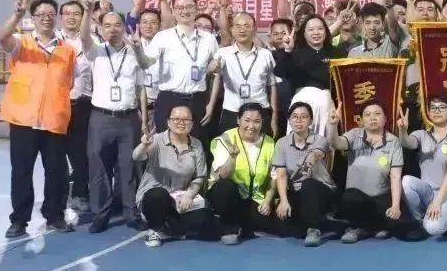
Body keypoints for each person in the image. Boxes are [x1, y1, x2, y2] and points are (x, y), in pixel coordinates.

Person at [0, 0, 77, 238]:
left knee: (57, 172)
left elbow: (69, 83)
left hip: (54, 120)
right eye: (40, 14)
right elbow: (2, 37)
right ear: (32, 17)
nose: (46, 18)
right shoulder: (21, 43)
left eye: (51, 14)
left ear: (57, 18)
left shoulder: (67, 50)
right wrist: (16, 15)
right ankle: (19, 220)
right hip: (24, 120)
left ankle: (55, 215)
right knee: (22, 172)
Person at [80, 5, 151, 233]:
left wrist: (144, 120)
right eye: (107, 25)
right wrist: (86, 11)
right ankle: (101, 215)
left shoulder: (134, 53)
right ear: (100, 29)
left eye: (117, 25)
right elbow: (83, 36)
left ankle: (131, 213)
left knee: (129, 167)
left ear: (124, 28)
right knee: (99, 168)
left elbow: (141, 87)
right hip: (101, 117)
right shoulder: (95, 51)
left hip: (128, 119)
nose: (112, 29)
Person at [134, 104, 229, 247]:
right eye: (176, 119)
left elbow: (199, 177)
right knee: (157, 195)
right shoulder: (157, 140)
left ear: (192, 123)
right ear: (168, 122)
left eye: (186, 120)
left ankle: (170, 228)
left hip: (180, 200)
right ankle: (155, 229)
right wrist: (143, 145)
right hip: (154, 197)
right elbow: (137, 157)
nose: (181, 123)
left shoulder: (196, 145)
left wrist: (189, 195)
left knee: (207, 221)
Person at [327, 99, 405, 243]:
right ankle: (363, 227)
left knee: (402, 226)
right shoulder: (354, 135)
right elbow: (335, 143)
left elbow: (395, 176)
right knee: (349, 198)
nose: (372, 118)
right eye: (367, 115)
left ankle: (369, 227)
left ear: (385, 118)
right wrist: (333, 125)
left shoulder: (393, 141)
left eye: (377, 114)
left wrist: (395, 206)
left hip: (381, 197)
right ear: (361, 120)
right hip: (356, 199)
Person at [206, 102, 283, 244]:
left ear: (262, 122)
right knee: (226, 186)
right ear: (238, 120)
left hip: (254, 199)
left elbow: (273, 176)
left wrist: (267, 201)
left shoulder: (269, 143)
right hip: (228, 196)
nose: (251, 126)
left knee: (277, 225)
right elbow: (223, 175)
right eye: (247, 120)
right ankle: (229, 229)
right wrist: (232, 157)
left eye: (256, 121)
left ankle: (243, 226)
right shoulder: (225, 139)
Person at [149, 0, 219, 139]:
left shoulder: (209, 39)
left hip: (197, 101)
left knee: (196, 145)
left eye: (189, 7)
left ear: (196, 9)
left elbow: (216, 74)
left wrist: (210, 104)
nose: (185, 11)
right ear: (173, 10)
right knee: (166, 145)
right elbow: (147, 66)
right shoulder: (162, 38)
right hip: (169, 99)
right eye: (180, 8)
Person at [398, 95, 447, 237]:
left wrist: (437, 202)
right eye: (433, 108)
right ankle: (419, 220)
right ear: (428, 113)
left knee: (434, 229)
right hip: (428, 191)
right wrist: (403, 130)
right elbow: (407, 143)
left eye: (442, 107)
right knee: (406, 181)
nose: (437, 111)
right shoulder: (422, 134)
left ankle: (442, 219)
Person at [270, 102, 337, 247]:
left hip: (321, 190)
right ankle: (324, 224)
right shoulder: (281, 143)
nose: (299, 120)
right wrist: (283, 200)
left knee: (308, 184)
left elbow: (317, 153)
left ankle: (313, 229)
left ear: (311, 121)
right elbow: (281, 175)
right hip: (296, 191)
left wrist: (310, 159)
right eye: (294, 117)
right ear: (289, 120)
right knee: (281, 227)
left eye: (304, 117)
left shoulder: (319, 139)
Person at [273, 14, 347, 136]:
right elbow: (279, 72)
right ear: (304, 33)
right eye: (311, 29)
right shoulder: (295, 52)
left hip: (327, 104)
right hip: (301, 104)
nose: (316, 32)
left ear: (326, 31)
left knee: (326, 142)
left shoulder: (336, 53)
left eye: (320, 28)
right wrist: (288, 51)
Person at [207, 11, 278, 136]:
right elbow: (214, 73)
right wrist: (212, 67)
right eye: (238, 26)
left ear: (254, 29)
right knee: (229, 147)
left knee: (261, 148)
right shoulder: (223, 53)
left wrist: (274, 117)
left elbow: (272, 86)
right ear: (232, 30)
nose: (242, 30)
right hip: (232, 112)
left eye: (246, 26)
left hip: (260, 112)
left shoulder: (266, 55)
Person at [57, 0, 93, 213]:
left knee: (82, 156)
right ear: (61, 17)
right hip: (57, 105)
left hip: (83, 105)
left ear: (83, 17)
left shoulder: (90, 42)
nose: (71, 17)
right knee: (56, 155)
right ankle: (58, 197)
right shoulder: (53, 41)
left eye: (76, 13)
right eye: (67, 13)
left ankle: (80, 194)